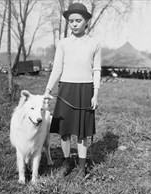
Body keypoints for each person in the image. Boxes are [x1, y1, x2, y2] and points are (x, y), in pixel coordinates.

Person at [44, 2, 101, 179]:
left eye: (78, 20)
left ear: (86, 22)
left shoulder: (94, 43)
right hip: (66, 89)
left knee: (82, 132)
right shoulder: (63, 43)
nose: (74, 24)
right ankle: (66, 163)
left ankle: (82, 168)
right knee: (64, 131)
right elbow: (57, 69)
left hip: (85, 89)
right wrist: (48, 89)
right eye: (71, 21)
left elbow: (97, 70)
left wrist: (96, 93)